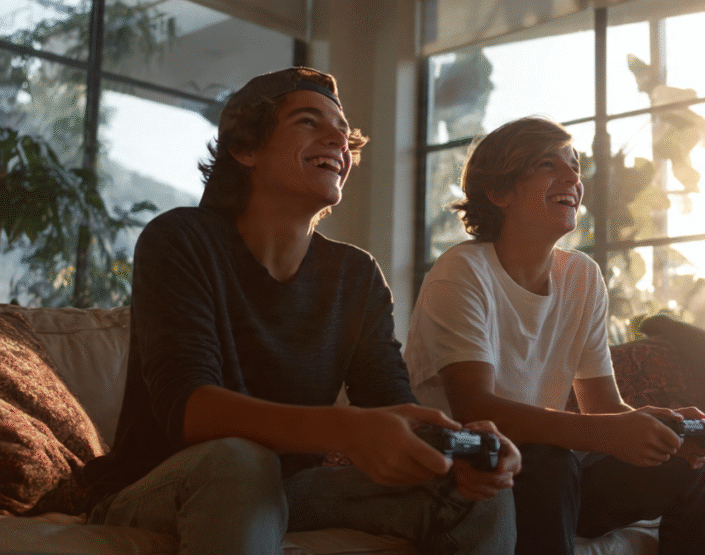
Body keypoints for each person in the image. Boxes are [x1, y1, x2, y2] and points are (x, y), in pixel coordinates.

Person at [83, 67, 520, 555]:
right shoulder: (180, 240)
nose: (339, 137)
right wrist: (341, 429)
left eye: (341, 128)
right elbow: (189, 410)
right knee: (241, 463)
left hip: (289, 490)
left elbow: (388, 402)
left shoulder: (354, 275)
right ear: (245, 149)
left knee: (476, 492)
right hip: (166, 482)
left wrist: (454, 444)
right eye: (309, 122)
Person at [405, 116, 705, 555]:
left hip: (550, 480)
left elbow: (603, 408)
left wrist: (653, 424)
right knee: (548, 460)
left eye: (574, 164)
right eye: (547, 164)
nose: (573, 176)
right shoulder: (461, 273)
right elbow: (474, 407)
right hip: (468, 473)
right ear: (499, 193)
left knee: (695, 462)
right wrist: (607, 434)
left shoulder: (581, 276)